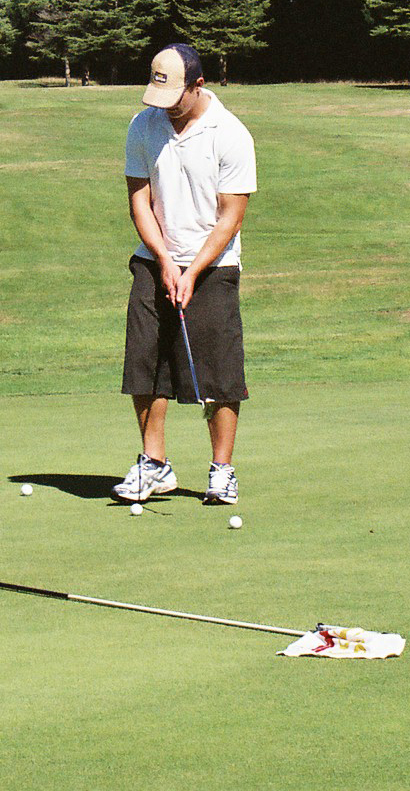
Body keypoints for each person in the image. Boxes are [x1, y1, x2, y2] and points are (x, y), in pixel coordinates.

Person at [113, 43, 257, 506]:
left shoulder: (230, 134)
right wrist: (163, 258)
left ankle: (222, 470)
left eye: (175, 97)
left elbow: (231, 217)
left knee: (218, 372)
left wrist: (191, 269)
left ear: (198, 85)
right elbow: (140, 201)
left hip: (213, 265)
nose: (167, 109)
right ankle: (154, 465)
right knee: (144, 364)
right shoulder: (143, 125)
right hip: (154, 259)